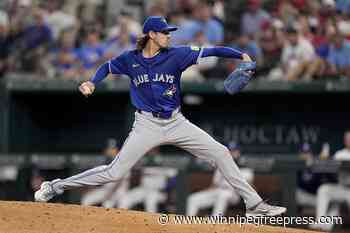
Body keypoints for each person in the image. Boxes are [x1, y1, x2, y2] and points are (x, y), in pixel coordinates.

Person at [34, 16, 286, 217]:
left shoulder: (177, 54)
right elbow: (106, 67)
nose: (168, 35)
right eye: (164, 32)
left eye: (169, 32)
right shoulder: (130, 59)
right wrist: (92, 82)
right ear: (151, 35)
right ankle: (55, 186)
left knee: (220, 152)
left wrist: (241, 55)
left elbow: (213, 50)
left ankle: (253, 204)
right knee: (114, 173)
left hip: (176, 122)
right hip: (146, 124)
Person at [186, 142, 254, 216]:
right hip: (218, 191)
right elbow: (214, 185)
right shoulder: (220, 166)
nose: (231, 153)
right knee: (193, 198)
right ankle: (188, 224)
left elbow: (249, 190)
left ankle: (215, 221)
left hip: (233, 195)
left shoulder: (246, 170)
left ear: (239, 153)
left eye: (234, 151)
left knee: (223, 195)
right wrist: (204, 192)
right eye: (229, 151)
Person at [310, 130, 350, 231]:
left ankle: (327, 224)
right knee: (324, 189)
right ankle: (320, 221)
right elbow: (331, 169)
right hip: (343, 188)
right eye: (346, 139)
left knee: (335, 208)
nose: (348, 141)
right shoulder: (340, 154)